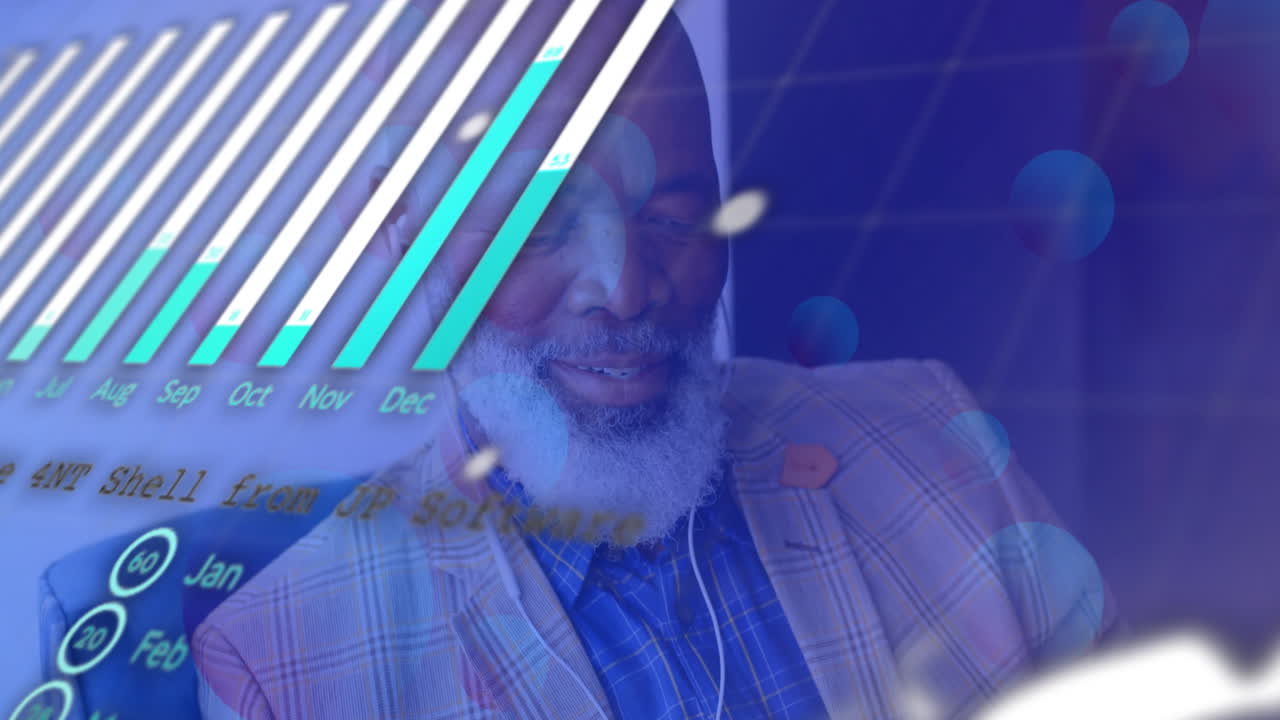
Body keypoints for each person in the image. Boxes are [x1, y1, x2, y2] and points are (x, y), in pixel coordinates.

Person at [193, 3, 1116, 718]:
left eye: (674, 215)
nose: (627, 291)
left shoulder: (935, 441)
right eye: (540, 227)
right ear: (404, 232)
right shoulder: (283, 667)